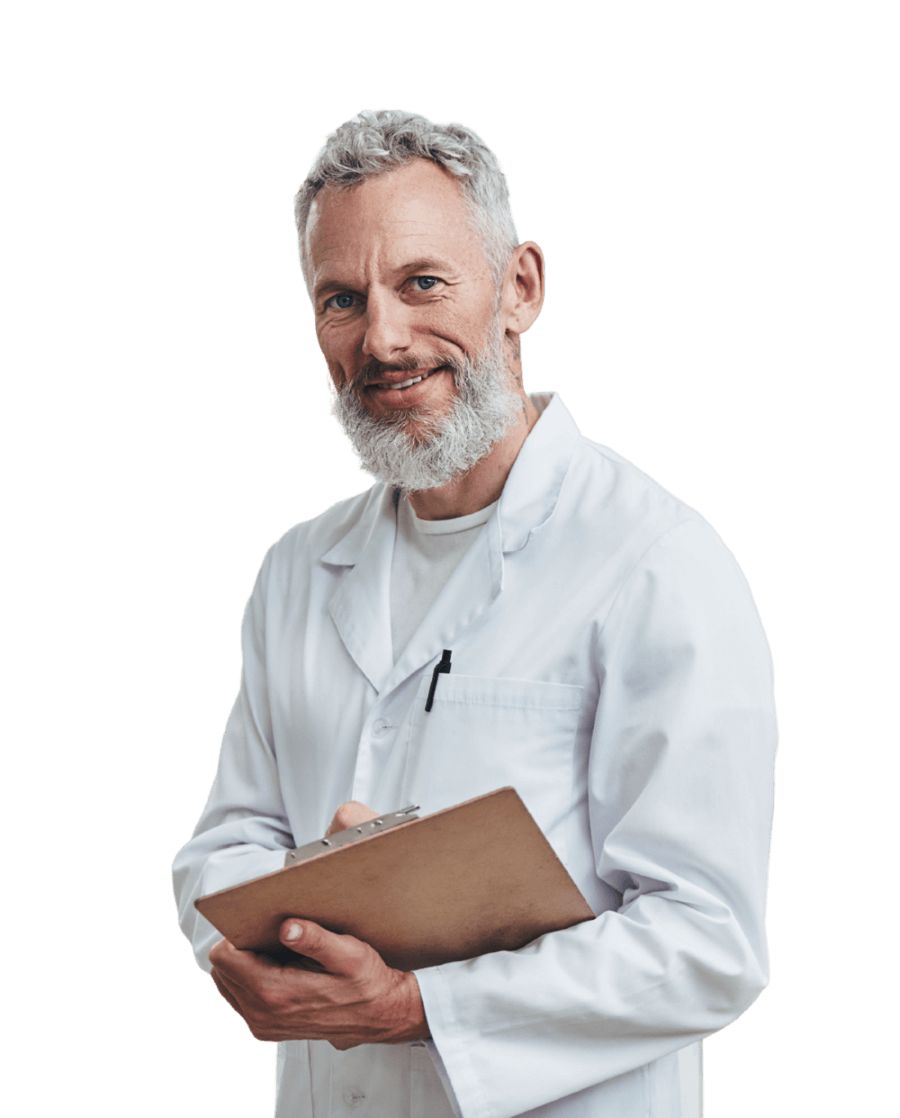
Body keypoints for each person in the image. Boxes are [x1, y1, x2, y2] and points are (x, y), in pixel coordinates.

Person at [172, 108, 778, 1118]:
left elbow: (707, 940)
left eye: (423, 282)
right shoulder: (296, 570)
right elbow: (228, 841)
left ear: (520, 288)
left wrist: (413, 1005)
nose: (383, 338)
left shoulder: (657, 562)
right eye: (341, 299)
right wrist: (248, 943)